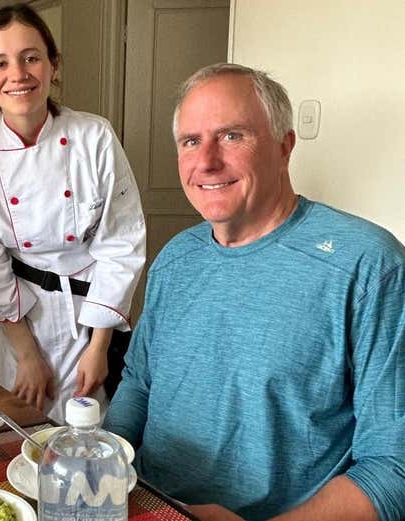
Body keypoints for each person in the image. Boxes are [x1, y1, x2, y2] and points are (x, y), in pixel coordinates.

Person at [103, 62, 405, 521]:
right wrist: (100, 465)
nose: (206, 161)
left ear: (284, 148)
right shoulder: (176, 258)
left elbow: (393, 469)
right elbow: (140, 384)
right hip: (143, 506)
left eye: (232, 136)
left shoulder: (368, 265)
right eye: (190, 141)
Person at [0, 4, 146, 423]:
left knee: (93, 437)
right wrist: (27, 354)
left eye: (31, 57)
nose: (17, 74)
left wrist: (97, 347)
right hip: (21, 319)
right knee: (22, 435)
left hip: (92, 319)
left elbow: (120, 243)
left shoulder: (95, 136)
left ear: (53, 66)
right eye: (0, 63)